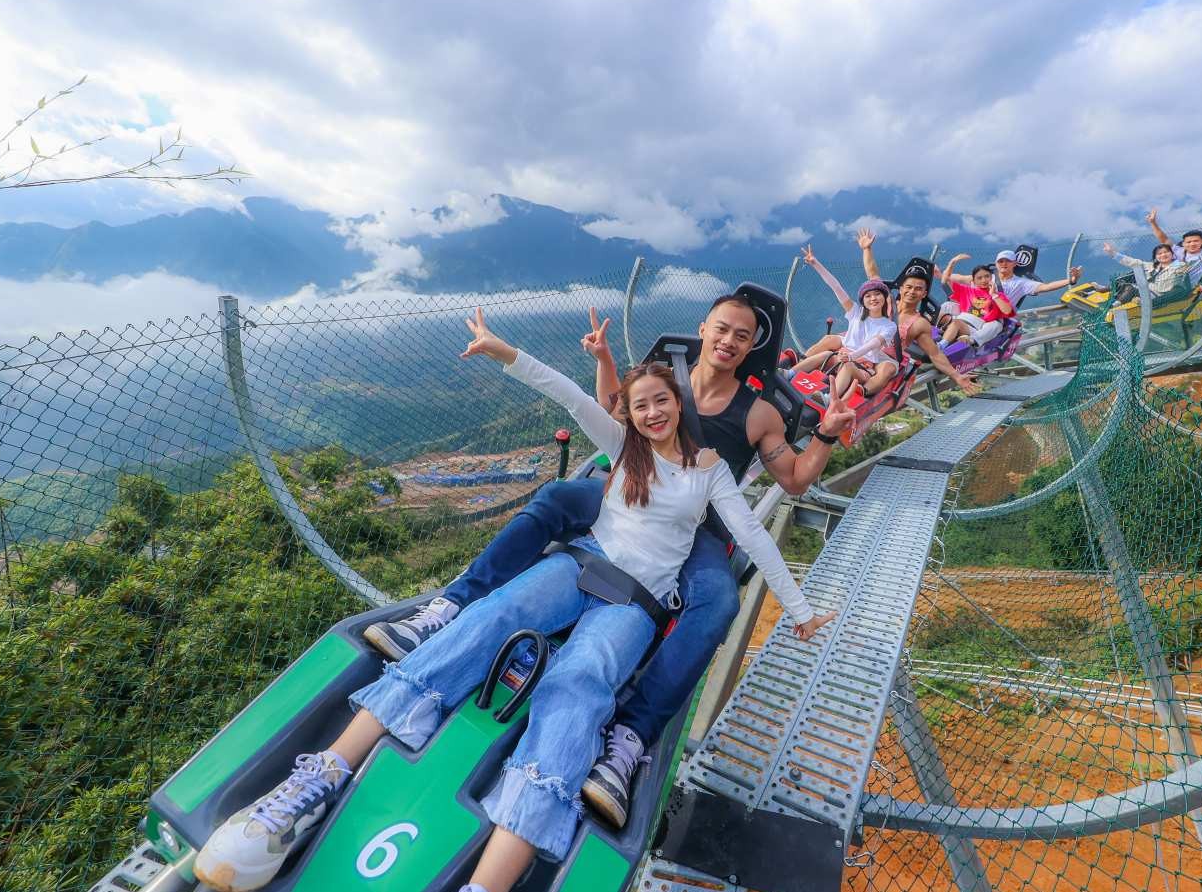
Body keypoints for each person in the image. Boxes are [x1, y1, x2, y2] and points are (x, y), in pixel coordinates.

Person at [194, 311, 838, 892]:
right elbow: (569, 393)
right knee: (490, 618)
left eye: (659, 404)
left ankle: (490, 882)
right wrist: (505, 352)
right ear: (633, 413)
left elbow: (750, 531)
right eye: (638, 406)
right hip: (581, 567)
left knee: (581, 682)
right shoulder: (626, 449)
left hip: (636, 600)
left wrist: (800, 610)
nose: (650, 415)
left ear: (677, 406)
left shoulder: (710, 471)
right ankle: (319, 777)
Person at [364, 295, 854, 828]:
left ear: (753, 344)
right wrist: (601, 362)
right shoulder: (669, 382)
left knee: (717, 601)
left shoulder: (756, 413)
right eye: (722, 329)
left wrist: (826, 432)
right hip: (627, 491)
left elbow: (795, 480)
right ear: (704, 329)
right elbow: (608, 417)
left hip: (696, 525)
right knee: (555, 499)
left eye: (743, 334)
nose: (729, 340)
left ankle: (631, 734)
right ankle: (450, 606)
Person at [856, 227, 982, 391]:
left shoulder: (919, 323)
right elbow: (873, 274)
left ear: (924, 294)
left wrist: (957, 376)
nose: (911, 292)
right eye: (908, 287)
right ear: (901, 289)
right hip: (860, 346)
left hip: (884, 359)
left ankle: (857, 394)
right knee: (829, 341)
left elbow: (934, 354)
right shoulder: (885, 302)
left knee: (882, 372)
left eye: (917, 289)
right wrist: (867, 249)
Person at [791, 244, 899, 399]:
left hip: (861, 366)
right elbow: (836, 287)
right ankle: (790, 373)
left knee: (847, 366)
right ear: (863, 300)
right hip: (842, 357)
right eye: (868, 296)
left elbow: (874, 344)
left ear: (884, 297)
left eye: (877, 294)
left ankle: (828, 398)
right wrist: (816, 264)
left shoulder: (889, 326)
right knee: (827, 353)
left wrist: (851, 357)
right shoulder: (855, 312)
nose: (873, 298)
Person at [934, 255, 1015, 347]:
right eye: (979, 278)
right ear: (974, 281)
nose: (984, 280)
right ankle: (931, 332)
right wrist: (952, 262)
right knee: (944, 308)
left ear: (991, 278)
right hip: (960, 319)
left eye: (987, 276)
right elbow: (945, 281)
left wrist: (993, 295)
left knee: (997, 325)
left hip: (975, 328)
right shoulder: (968, 291)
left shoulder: (998, 296)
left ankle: (941, 346)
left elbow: (1008, 311)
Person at [989, 249, 1082, 310]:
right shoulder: (986, 278)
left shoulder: (1020, 283)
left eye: (1008, 261)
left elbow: (1046, 287)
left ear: (1014, 263)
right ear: (996, 263)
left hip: (999, 319)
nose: (1004, 264)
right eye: (1000, 261)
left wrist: (1071, 280)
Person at [1101, 241, 1190, 302]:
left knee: (1130, 288)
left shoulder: (1179, 266)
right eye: (1159, 254)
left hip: (1160, 295)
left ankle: (1114, 307)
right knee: (1122, 282)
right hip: (1146, 291)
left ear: (1172, 254)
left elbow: (1183, 274)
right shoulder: (1151, 266)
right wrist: (1112, 253)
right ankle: (1103, 294)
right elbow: (1131, 262)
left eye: (1166, 252)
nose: (1163, 255)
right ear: (1156, 257)